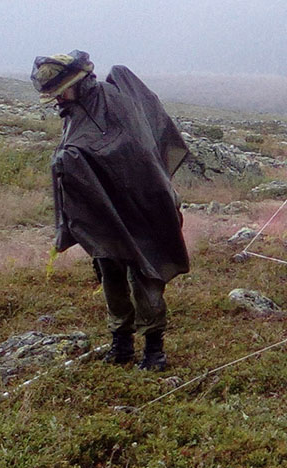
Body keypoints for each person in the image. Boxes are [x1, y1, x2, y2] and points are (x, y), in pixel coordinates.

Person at [31, 50, 190, 371]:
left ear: (78, 82)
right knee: (109, 273)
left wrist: (74, 156)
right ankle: (121, 343)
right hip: (102, 210)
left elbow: (128, 149)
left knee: (145, 272)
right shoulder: (75, 110)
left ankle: (154, 349)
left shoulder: (113, 101)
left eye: (60, 92)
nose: (57, 100)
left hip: (142, 205)